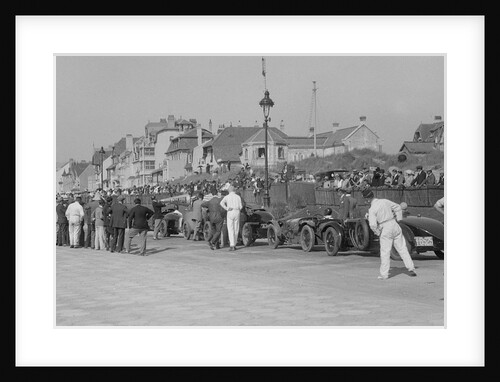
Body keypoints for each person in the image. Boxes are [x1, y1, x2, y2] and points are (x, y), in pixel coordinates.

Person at [362, 188, 417, 280]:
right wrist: (399, 220)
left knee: (385, 252)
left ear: (367, 199)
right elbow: (398, 207)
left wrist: (378, 233)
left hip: (385, 227)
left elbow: (372, 225)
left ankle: (384, 274)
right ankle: (411, 268)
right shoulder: (384, 201)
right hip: (394, 224)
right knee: (402, 248)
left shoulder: (372, 209)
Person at [219, 185, 243, 251]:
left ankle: (232, 244)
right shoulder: (238, 197)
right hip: (237, 211)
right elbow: (241, 206)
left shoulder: (227, 197)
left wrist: (226, 208)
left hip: (230, 211)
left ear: (228, 191)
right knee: (236, 228)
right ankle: (234, 244)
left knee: (230, 228)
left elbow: (221, 203)